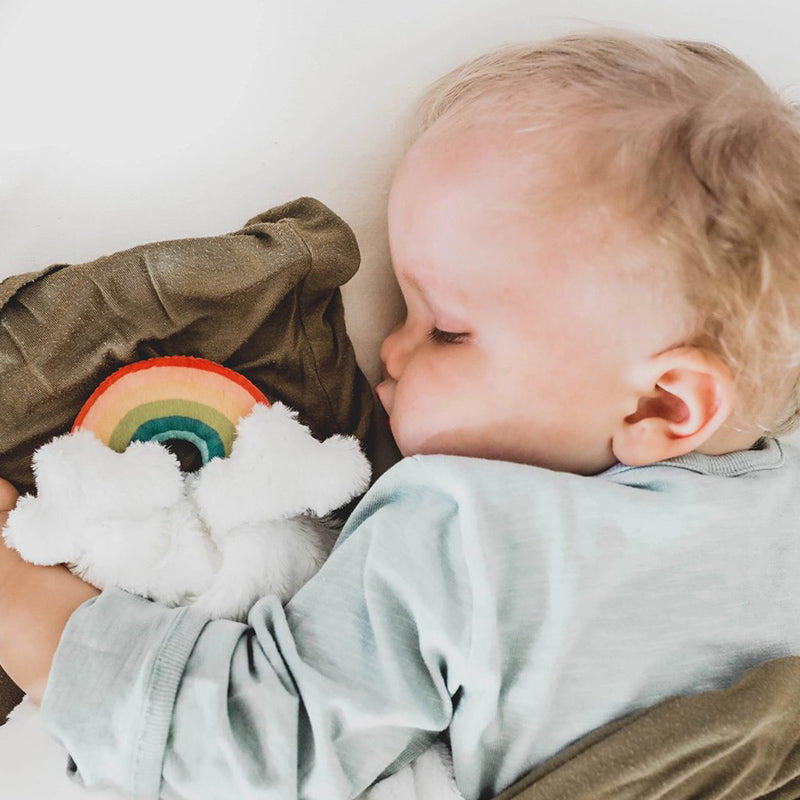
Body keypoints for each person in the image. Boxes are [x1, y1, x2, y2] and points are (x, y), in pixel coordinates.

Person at [2, 29, 800, 800]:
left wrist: (23, 599)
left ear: (663, 403)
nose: (389, 347)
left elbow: (258, 744)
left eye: (446, 330)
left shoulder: (466, 532)